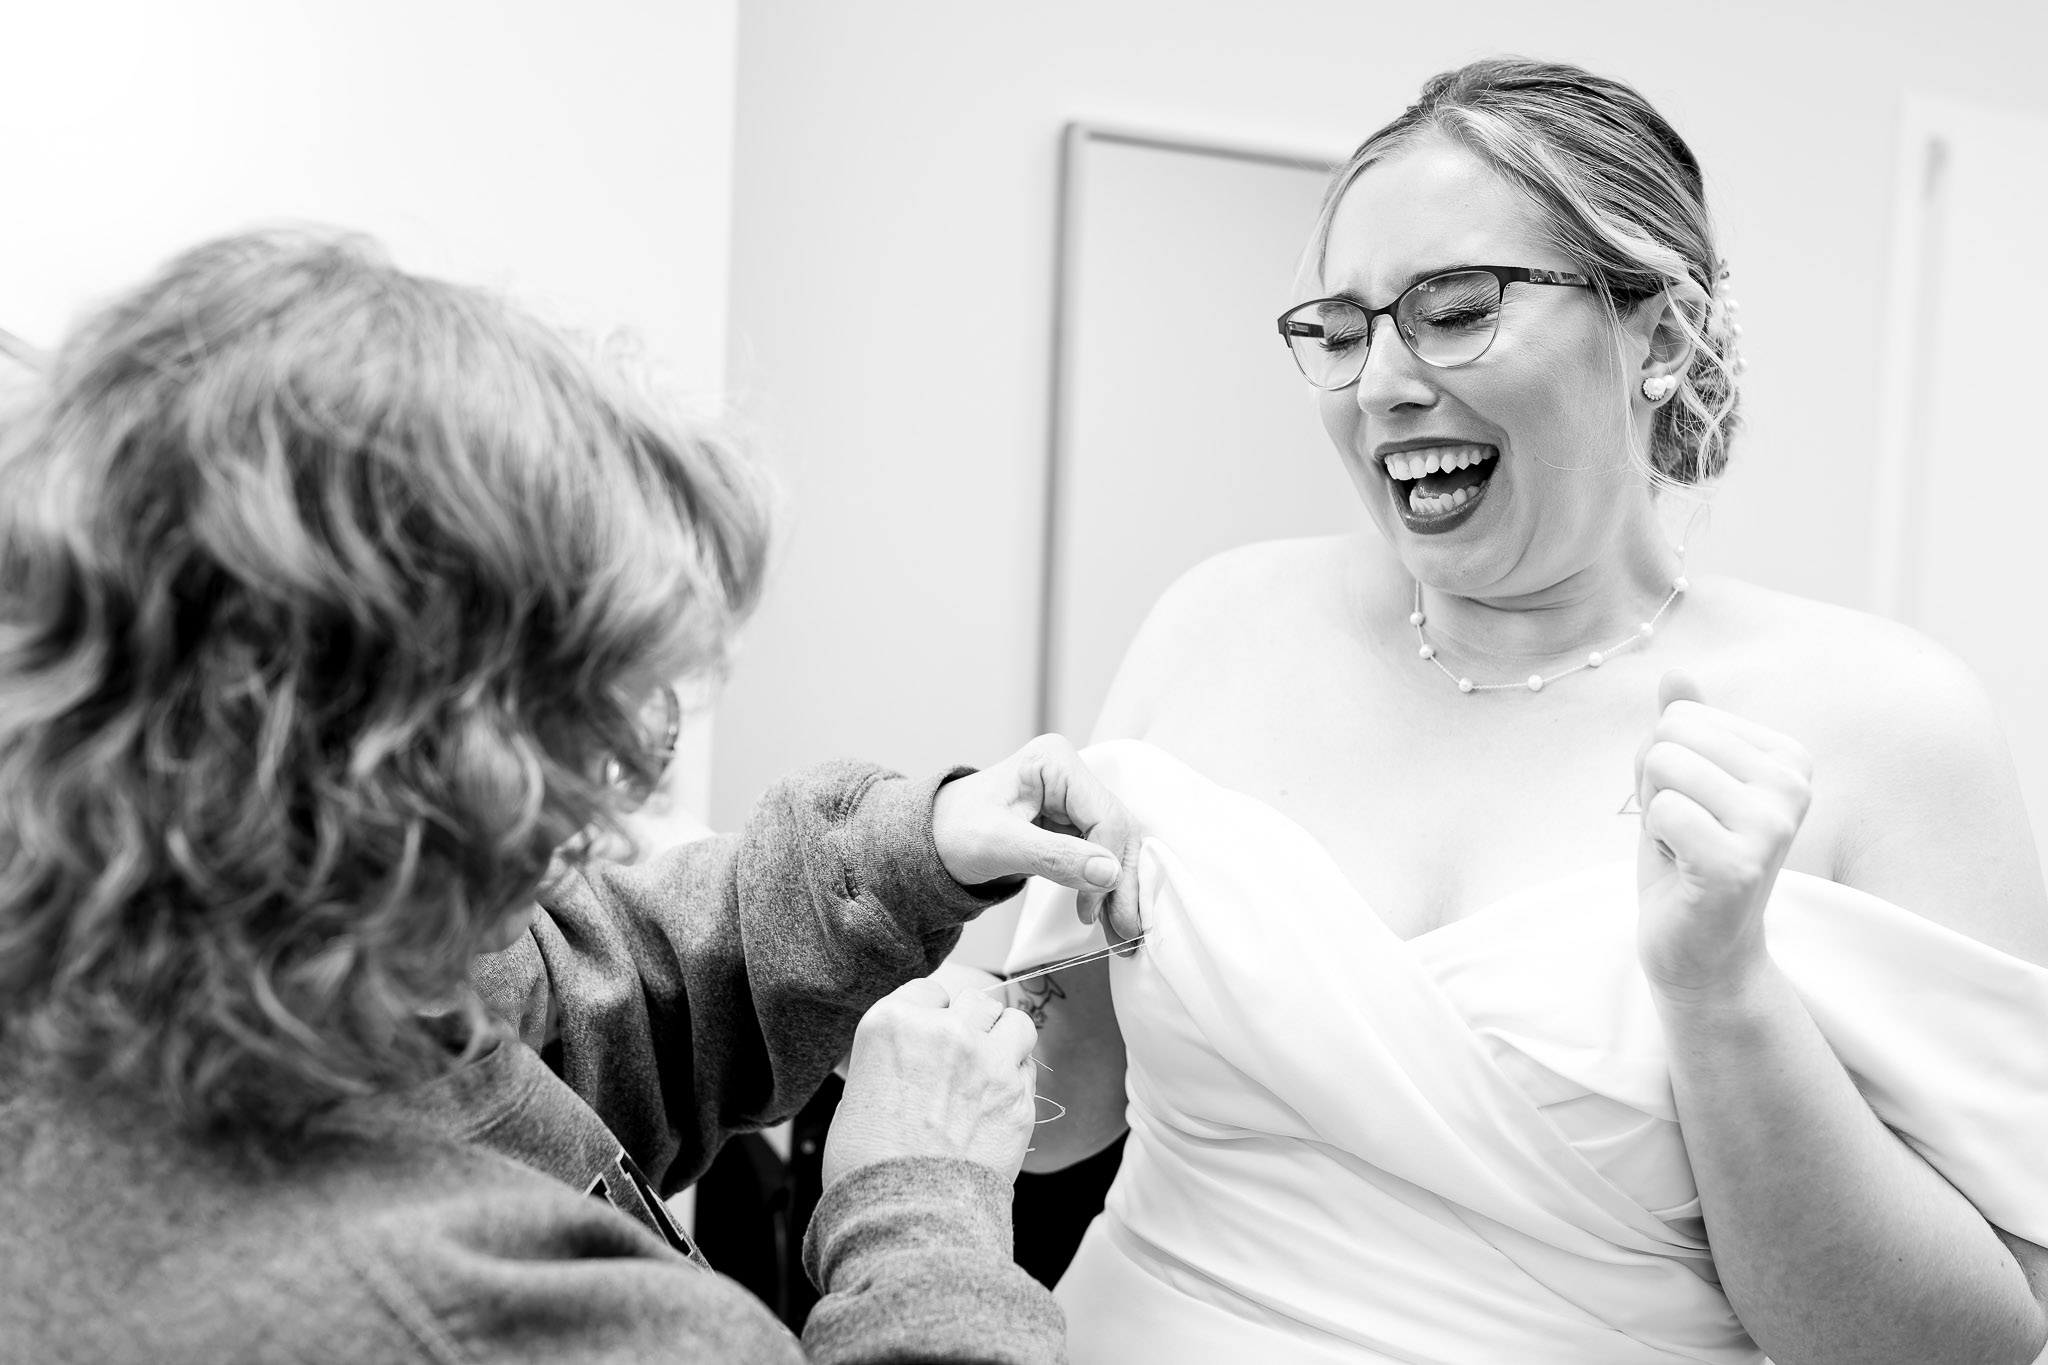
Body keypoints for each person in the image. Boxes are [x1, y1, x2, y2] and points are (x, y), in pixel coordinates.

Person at [1007, 59, 2048, 1365]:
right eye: (1343, 328)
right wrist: (975, 924)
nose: (1380, 380)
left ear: (1657, 339)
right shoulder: (1214, 618)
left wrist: (1722, 995)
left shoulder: (1887, 722)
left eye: (1453, 311)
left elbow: (1967, 1345)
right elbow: (1060, 1118)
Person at [0, 231, 1144, 1364]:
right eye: (580, 721)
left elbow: (561, 1016)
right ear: (394, 748)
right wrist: (919, 1208)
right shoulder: (448, 1315)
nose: (621, 793)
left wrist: (904, 856)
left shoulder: (190, 971)